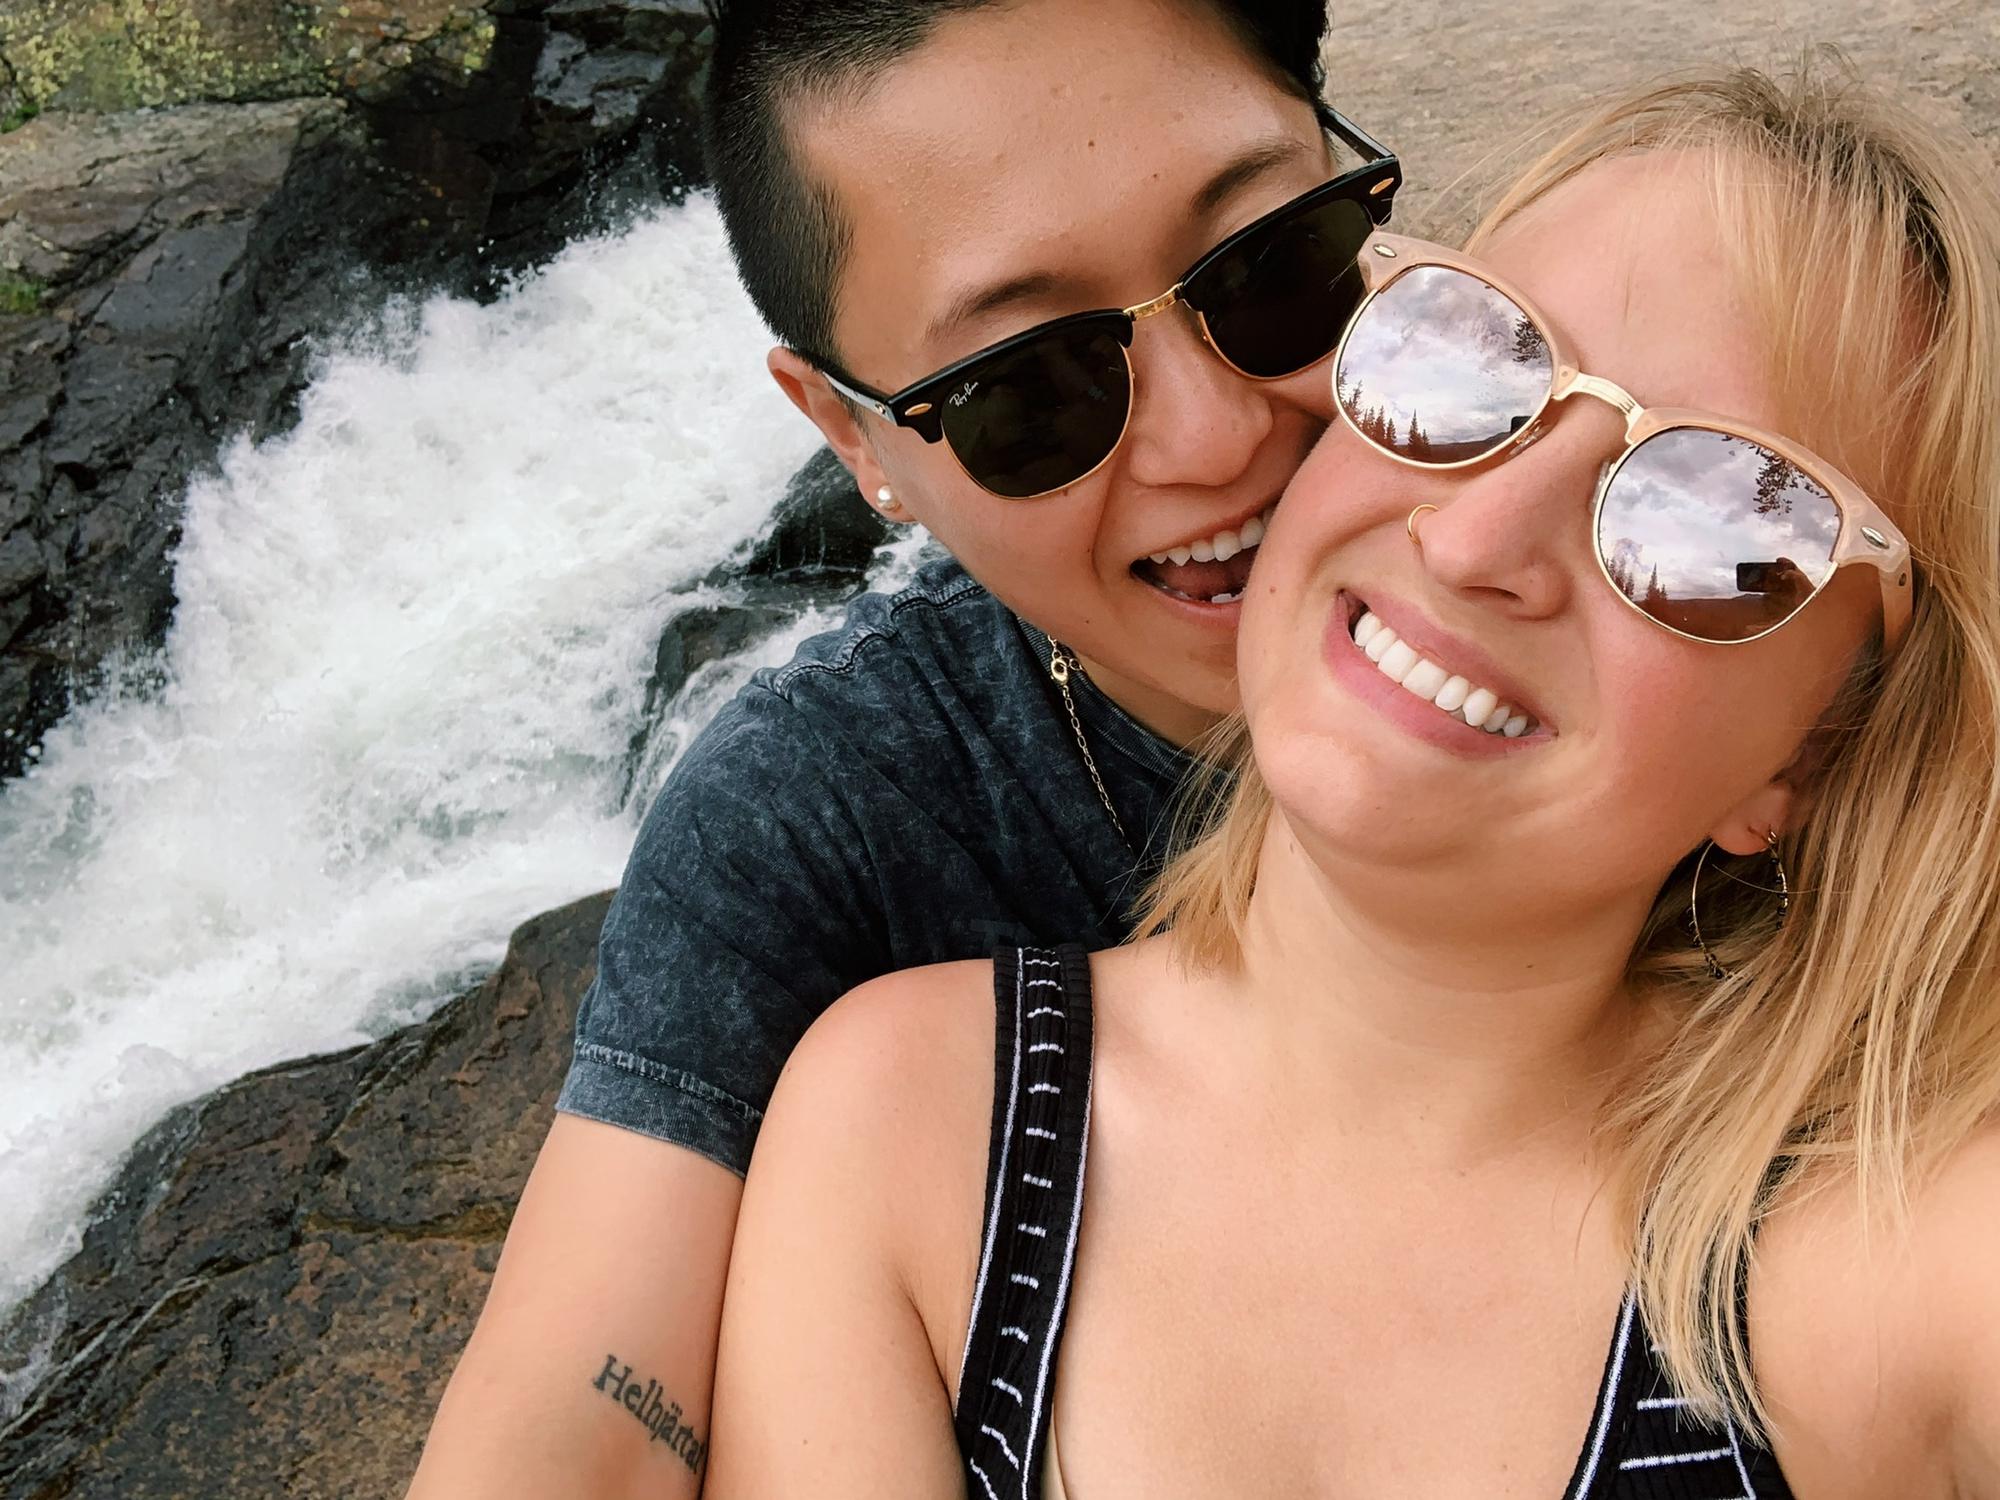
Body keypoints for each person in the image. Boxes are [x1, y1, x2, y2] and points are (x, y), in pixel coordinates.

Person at [705, 61, 2000, 1498]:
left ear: (1810, 751)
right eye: (1470, 363)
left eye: (1715, 518)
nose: (1475, 539)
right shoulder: (905, 1128)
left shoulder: (1887, 1257)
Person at [407, 0, 1396, 1492]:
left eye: (1272, 269)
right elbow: (579, 1422)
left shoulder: (1666, 573)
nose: (1214, 437)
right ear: (856, 440)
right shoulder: (821, 820)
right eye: (1031, 392)